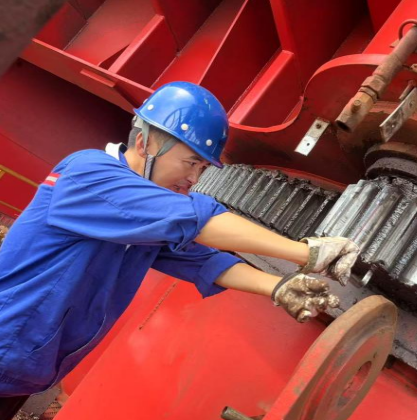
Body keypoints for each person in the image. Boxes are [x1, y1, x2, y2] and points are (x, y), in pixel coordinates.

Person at [0, 82, 359, 418]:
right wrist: (307, 253)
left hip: (23, 372)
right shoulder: (88, 173)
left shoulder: (142, 220)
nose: (194, 179)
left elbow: (205, 260)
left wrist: (279, 287)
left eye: (202, 168)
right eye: (190, 163)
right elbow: (195, 219)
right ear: (145, 144)